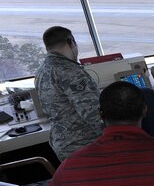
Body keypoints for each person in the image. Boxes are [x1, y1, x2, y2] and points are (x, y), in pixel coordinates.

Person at [33, 26, 103, 161]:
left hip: (63, 145)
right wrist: (115, 138)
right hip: (85, 145)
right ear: (71, 42)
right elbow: (92, 112)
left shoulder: (41, 71)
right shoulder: (71, 72)